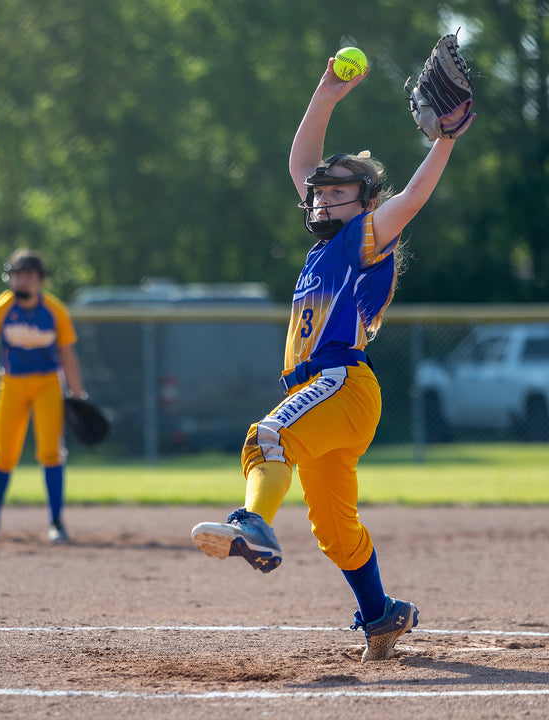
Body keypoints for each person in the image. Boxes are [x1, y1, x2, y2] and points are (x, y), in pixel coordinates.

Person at [191, 53, 468, 661]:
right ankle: (381, 615)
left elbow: (412, 199)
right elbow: (300, 164)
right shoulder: (328, 244)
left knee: (267, 438)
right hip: (324, 395)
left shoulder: (362, 238)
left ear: (365, 202)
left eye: (337, 191)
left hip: (341, 382)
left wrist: (443, 142)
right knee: (336, 530)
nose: (321, 198)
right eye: (320, 193)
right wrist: (325, 94)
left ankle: (252, 523)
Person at [0, 249, 86, 544]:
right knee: (4, 454)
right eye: (18, 275)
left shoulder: (55, 310)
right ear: (10, 278)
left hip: (48, 384)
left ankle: (56, 522)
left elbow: (67, 352)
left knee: (51, 452)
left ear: (40, 280)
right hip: (12, 384)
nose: (23, 281)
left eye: (29, 275)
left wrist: (76, 390)